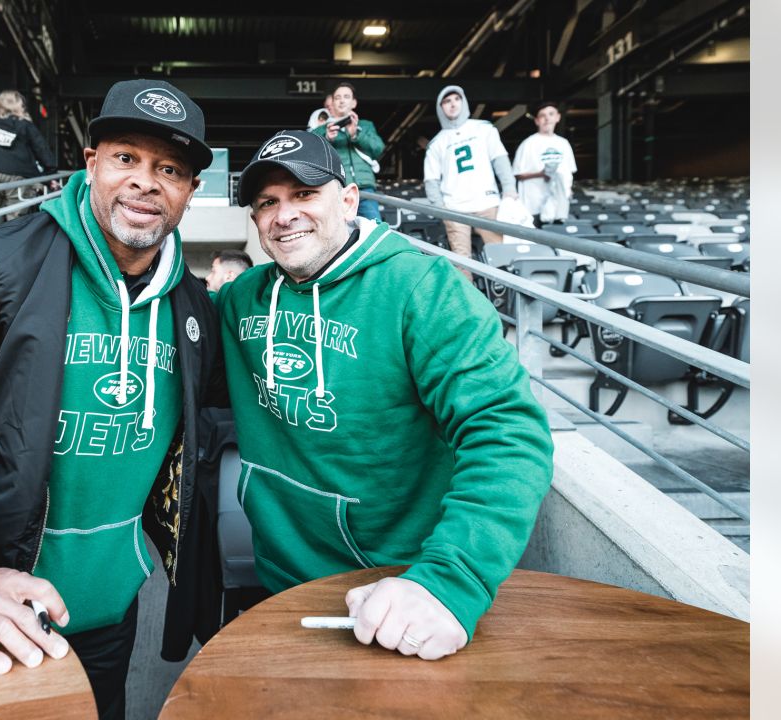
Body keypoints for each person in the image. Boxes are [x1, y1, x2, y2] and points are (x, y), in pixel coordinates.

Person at [0, 78, 227, 720]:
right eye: (126, 158)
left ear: (191, 192)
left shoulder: (193, 308)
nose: (145, 181)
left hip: (111, 606)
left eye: (170, 169)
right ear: (91, 165)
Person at [217, 130, 553, 661]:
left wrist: (449, 580)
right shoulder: (242, 300)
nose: (284, 215)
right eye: (267, 203)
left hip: (401, 592)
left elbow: (507, 432)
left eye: (304, 194)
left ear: (349, 201)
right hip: (277, 584)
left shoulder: (424, 288)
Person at [423, 85, 518, 274]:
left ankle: (504, 300)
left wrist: (509, 189)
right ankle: (469, 304)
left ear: (463, 101)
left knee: (501, 257)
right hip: (455, 208)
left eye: (456, 99)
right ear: (440, 107)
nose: (452, 104)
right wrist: (441, 208)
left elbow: (500, 160)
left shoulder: (484, 128)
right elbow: (431, 180)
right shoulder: (437, 142)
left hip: (487, 203)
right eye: (447, 101)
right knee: (462, 262)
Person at [0, 90, 59, 227]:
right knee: (17, 219)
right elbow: (42, 149)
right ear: (19, 105)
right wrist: (50, 174)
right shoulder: (24, 124)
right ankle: (14, 247)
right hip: (17, 176)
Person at [309, 82, 385, 221]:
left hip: (365, 189)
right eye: (337, 97)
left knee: (374, 229)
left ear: (354, 102)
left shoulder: (365, 125)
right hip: (337, 190)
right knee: (339, 234)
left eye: (346, 96)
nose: (342, 100)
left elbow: (378, 149)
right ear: (332, 103)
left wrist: (356, 134)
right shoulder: (321, 130)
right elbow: (310, 155)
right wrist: (327, 138)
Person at [513, 101, 578, 226]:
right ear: (537, 120)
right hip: (534, 205)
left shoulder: (563, 144)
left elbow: (569, 171)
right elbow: (517, 174)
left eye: (551, 114)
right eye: (543, 115)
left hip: (559, 205)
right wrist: (541, 174)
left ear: (558, 117)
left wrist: (568, 189)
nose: (547, 118)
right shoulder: (528, 144)